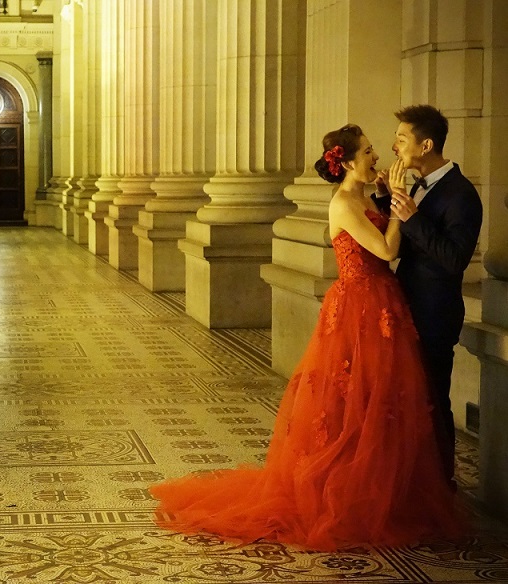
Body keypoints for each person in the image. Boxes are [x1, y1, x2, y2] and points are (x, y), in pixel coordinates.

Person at [149, 124, 464, 551]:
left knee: (382, 402)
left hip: (384, 303)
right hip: (359, 307)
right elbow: (388, 251)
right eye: (368, 151)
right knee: (349, 403)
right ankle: (345, 495)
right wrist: (397, 206)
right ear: (347, 163)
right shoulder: (343, 204)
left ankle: (384, 493)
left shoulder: (363, 196)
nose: (377, 156)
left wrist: (387, 200)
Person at [374, 105, 483, 490]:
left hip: (435, 313)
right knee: (408, 399)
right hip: (408, 306)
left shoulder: (462, 194)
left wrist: (412, 217)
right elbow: (407, 247)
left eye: (402, 139)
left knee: (433, 399)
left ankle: (440, 485)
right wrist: (387, 200)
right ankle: (412, 481)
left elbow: (454, 260)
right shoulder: (418, 185)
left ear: (426, 145)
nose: (394, 146)